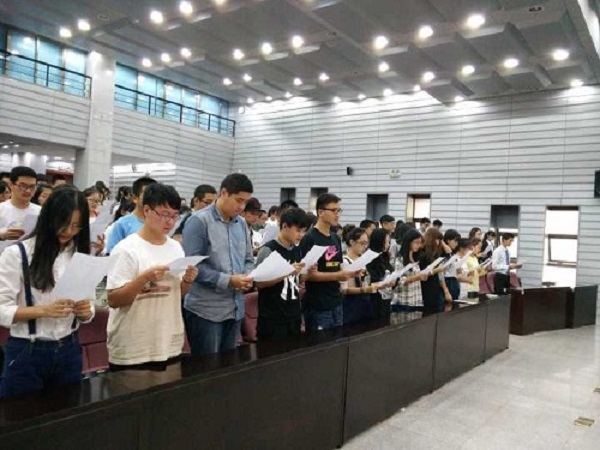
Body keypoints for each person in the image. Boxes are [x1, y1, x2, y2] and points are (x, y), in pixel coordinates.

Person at [0, 186, 94, 398]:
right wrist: (44, 311)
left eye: (76, 226)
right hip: (27, 351)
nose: (68, 231)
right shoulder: (17, 254)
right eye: (63, 223)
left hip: (69, 349)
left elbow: (89, 306)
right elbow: (2, 309)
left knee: (68, 412)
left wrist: (86, 311)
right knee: (20, 415)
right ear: (48, 218)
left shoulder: (78, 254)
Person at [106, 184, 197, 371]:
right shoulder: (126, 249)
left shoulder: (175, 247)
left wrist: (188, 280)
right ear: (147, 210)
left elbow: (178, 293)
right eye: (164, 214)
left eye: (174, 216)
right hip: (134, 346)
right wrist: (144, 278)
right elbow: (114, 299)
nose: (170, 222)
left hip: (167, 342)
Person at [182, 173, 255, 356]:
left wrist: (248, 276)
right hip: (206, 310)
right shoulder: (199, 221)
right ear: (223, 193)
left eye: (245, 202)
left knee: (228, 366)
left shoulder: (241, 224)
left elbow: (248, 258)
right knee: (208, 367)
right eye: (238, 200)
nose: (242, 207)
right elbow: (193, 266)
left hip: (235, 308)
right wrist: (228, 280)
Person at [300, 193, 358, 331]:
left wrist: (351, 272)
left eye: (339, 210)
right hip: (318, 304)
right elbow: (306, 275)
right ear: (320, 212)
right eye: (333, 210)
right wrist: (337, 276)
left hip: (336, 300)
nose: (337, 215)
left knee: (337, 341)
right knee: (320, 342)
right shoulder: (310, 238)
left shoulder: (335, 238)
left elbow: (337, 266)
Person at [255, 208, 308, 340]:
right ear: (284, 226)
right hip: (272, 317)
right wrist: (286, 272)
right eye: (298, 230)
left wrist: (308, 271)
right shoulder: (268, 249)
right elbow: (259, 283)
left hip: (293, 314)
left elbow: (298, 279)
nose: (301, 235)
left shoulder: (297, 250)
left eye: (303, 231)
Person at [106, 176, 156, 254]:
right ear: (135, 198)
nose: (152, 199)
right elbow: (112, 254)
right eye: (147, 195)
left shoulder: (159, 223)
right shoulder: (122, 224)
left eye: (155, 195)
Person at [341, 227, 376, 324]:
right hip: (351, 305)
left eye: (366, 243)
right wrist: (364, 290)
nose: (365, 247)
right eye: (362, 243)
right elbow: (344, 290)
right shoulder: (345, 261)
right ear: (352, 242)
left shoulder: (363, 260)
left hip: (365, 303)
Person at [0, 166, 41, 242]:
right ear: (11, 185)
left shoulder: (41, 212)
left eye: (32, 187)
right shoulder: (1, 208)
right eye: (23, 186)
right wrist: (1, 235)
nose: (28, 191)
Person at [366, 229, 396, 320]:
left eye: (389, 242)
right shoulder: (369, 258)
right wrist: (385, 282)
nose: (388, 245)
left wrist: (394, 279)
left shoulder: (385, 256)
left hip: (386, 299)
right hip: (374, 300)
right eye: (386, 242)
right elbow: (371, 280)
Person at [395, 229, 427, 309]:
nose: (419, 245)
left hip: (416, 299)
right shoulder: (400, 259)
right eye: (416, 242)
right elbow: (399, 281)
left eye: (420, 243)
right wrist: (417, 277)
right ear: (408, 242)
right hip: (404, 300)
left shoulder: (415, 259)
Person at [419, 228, 448, 313]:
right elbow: (422, 274)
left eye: (439, 240)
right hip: (426, 288)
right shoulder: (422, 254)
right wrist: (437, 270)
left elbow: (448, 252)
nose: (438, 243)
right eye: (436, 240)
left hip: (435, 287)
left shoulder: (435, 254)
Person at [441, 229, 462, 301]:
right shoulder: (442, 254)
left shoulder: (452, 253)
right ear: (448, 240)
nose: (456, 244)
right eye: (455, 241)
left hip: (454, 280)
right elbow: (441, 274)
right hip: (447, 281)